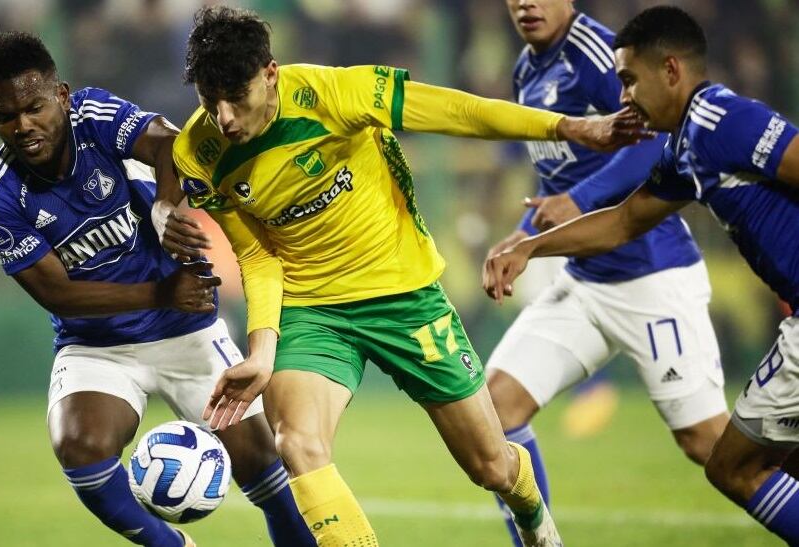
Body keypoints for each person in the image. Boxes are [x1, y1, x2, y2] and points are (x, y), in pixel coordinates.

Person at [155, 6, 648, 546]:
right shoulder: (199, 152)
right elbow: (257, 255)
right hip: (309, 309)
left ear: (270, 73)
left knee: (492, 467)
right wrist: (264, 350)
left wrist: (569, 126)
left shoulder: (337, 94)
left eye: (236, 96)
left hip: (403, 296)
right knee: (297, 444)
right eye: (209, 99)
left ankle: (535, 521)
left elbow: (461, 111)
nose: (224, 117)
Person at [0, 32, 314, 547]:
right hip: (98, 345)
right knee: (79, 447)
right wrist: (161, 293)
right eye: (4, 116)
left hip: (186, 332)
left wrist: (166, 210)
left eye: (33, 107)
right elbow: (57, 294)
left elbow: (169, 145)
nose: (22, 125)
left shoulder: (94, 116)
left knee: (263, 463)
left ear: (61, 95)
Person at [483, 6, 799, 542]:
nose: (622, 95)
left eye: (629, 81)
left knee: (719, 454)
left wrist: (576, 200)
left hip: (653, 283)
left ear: (670, 71)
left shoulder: (715, 118)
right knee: (494, 409)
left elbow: (635, 158)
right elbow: (622, 218)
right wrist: (528, 244)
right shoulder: (683, 143)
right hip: (585, 282)